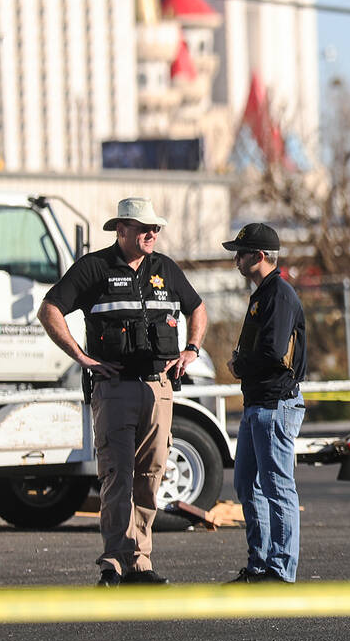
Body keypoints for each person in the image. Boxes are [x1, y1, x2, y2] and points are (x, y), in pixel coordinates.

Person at [38, 197, 206, 586]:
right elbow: (49, 310)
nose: (152, 234)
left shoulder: (165, 268)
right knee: (117, 474)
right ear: (121, 230)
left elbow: (197, 308)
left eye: (156, 228)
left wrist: (191, 349)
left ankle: (140, 562)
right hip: (113, 389)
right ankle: (114, 563)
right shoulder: (94, 267)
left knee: (151, 474)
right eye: (144, 227)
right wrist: (83, 357)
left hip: (159, 389)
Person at [222, 223, 307, 584]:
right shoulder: (263, 294)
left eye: (240, 254)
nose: (236, 260)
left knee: (277, 487)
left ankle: (280, 569)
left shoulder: (279, 295)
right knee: (246, 485)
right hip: (258, 403)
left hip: (275, 404)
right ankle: (259, 564)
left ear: (259, 256)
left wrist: (239, 364)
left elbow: (272, 352)